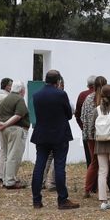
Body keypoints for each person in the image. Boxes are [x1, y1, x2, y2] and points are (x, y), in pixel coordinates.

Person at [31, 70, 79, 209]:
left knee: (39, 166)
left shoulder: (37, 95)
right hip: (59, 134)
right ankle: (62, 199)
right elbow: (69, 114)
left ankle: (36, 200)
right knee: (59, 166)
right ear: (58, 81)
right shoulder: (61, 94)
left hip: (41, 134)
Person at [0, 77, 29, 188]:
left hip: (5, 130)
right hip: (15, 130)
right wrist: (5, 124)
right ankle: (10, 181)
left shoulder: (7, 98)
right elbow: (18, 115)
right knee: (14, 155)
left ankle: (5, 179)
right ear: (22, 90)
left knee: (8, 155)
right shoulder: (19, 99)